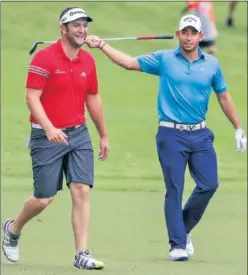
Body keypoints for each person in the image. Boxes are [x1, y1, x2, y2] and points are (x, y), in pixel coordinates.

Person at [85, 14, 247, 261]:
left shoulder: (212, 64)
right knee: (175, 188)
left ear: (201, 36)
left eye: (194, 33)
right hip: (170, 134)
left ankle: (182, 229)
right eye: (185, 32)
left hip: (201, 135)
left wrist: (238, 127)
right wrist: (102, 45)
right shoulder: (165, 59)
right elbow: (129, 63)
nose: (189, 37)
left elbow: (223, 96)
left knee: (209, 184)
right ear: (178, 34)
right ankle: (177, 244)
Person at [2, 7, 109, 270]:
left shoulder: (88, 61)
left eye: (84, 24)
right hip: (45, 136)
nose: (82, 29)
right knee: (44, 198)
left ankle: (81, 253)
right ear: (63, 29)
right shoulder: (44, 58)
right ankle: (13, 229)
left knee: (81, 189)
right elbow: (31, 97)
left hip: (78, 132)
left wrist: (103, 133)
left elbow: (93, 98)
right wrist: (49, 127)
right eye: (76, 25)